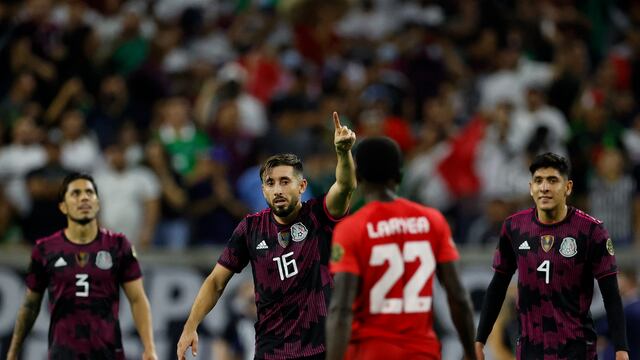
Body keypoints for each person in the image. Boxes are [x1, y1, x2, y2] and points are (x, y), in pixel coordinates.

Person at [177, 112, 356, 360]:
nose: (277, 189)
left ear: (302, 186)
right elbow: (216, 281)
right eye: (270, 183)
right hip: (271, 351)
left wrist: (343, 153)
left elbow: (345, 187)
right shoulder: (250, 228)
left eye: (285, 181)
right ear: (262, 189)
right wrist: (190, 325)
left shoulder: (318, 215)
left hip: (319, 349)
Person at [326, 136, 477, 360]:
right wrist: (470, 353)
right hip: (422, 352)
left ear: (357, 176)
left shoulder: (352, 228)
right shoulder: (432, 221)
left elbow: (341, 309)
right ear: (400, 175)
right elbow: (458, 296)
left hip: (371, 352)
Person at [475, 152, 630, 360]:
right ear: (531, 188)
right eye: (538, 181)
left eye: (552, 180)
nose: (545, 187)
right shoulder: (514, 227)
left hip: (577, 351)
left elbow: (611, 295)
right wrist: (480, 339)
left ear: (568, 187)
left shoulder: (591, 230)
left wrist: (621, 348)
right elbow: (498, 286)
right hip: (530, 351)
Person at [7, 173, 157, 360]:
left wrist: (149, 348)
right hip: (63, 353)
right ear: (63, 207)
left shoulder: (118, 245)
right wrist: (13, 351)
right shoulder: (45, 249)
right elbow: (30, 305)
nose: (84, 197)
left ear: (98, 203)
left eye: (89, 192)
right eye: (76, 193)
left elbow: (138, 299)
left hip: (108, 354)